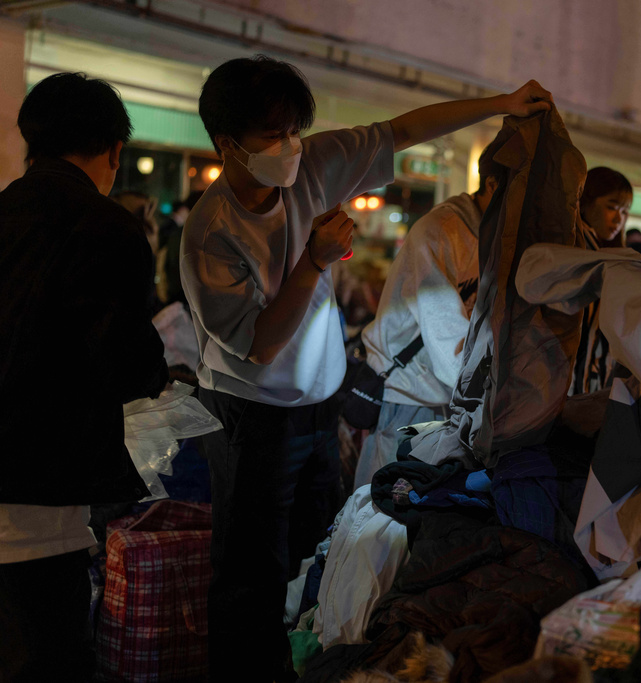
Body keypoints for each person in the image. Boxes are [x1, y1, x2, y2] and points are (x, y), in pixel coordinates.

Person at [180, 54, 552, 682]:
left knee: (315, 550)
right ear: (227, 144)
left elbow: (401, 130)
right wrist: (315, 261)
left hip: (318, 406)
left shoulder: (311, 167)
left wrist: (501, 103)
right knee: (250, 571)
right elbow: (261, 345)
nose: (290, 147)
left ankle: (301, 664)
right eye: (272, 135)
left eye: (294, 130)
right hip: (252, 417)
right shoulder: (210, 233)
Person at [0, 72, 168, 683]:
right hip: (41, 496)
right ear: (114, 151)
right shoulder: (107, 228)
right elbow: (125, 363)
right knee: (46, 656)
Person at [354, 139, 503, 488]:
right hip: (411, 396)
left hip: (448, 398)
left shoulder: (491, 235)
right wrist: (491, 398)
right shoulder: (441, 231)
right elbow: (445, 331)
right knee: (387, 503)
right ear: (494, 184)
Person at [572, 166, 633, 395]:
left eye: (625, 211)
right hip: (575, 383)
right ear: (586, 202)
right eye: (612, 207)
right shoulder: (579, 254)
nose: (619, 219)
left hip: (588, 381)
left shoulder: (606, 256)